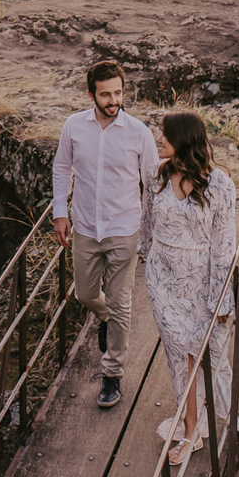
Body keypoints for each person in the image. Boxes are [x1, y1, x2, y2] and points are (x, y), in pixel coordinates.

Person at [53, 60, 159, 410]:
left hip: (123, 230)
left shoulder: (138, 132)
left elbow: (153, 184)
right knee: (85, 294)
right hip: (84, 227)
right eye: (105, 94)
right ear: (91, 94)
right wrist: (59, 212)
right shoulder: (73, 126)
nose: (113, 100)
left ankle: (112, 374)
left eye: (117, 93)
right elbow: (61, 168)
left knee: (121, 301)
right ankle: (107, 319)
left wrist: (149, 232)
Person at [145, 109, 236, 468]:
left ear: (182, 139)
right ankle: (191, 428)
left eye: (164, 134)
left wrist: (220, 298)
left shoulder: (220, 185)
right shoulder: (160, 176)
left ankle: (196, 423)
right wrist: (144, 253)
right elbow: (150, 220)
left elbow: (224, 246)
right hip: (162, 282)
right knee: (178, 353)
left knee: (198, 352)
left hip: (200, 283)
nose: (159, 139)